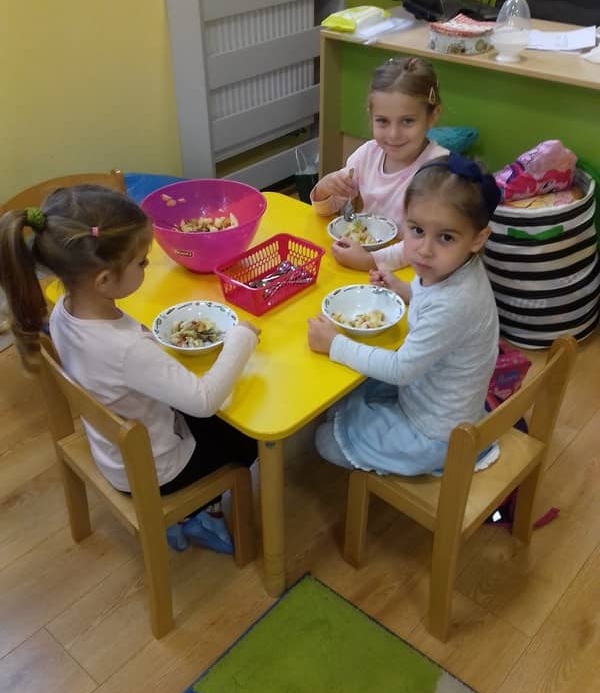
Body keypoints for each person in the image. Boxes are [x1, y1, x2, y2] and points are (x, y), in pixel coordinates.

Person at [0, 185, 260, 553]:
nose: (147, 267)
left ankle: (194, 514)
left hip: (113, 451)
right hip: (157, 472)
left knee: (214, 408)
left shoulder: (62, 312)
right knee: (249, 434)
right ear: (104, 280)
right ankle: (197, 512)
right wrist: (241, 339)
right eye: (141, 263)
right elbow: (203, 401)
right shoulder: (127, 349)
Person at [307, 153, 500, 477]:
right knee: (339, 397)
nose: (424, 249)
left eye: (446, 237)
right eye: (417, 230)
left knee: (325, 438)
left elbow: (400, 370)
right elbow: (431, 302)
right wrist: (403, 289)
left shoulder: (457, 301)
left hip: (435, 435)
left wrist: (334, 343)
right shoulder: (451, 269)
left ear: (477, 239)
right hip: (428, 394)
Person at [311, 56, 448, 273]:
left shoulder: (439, 170)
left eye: (407, 121)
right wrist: (324, 190)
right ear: (371, 117)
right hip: (364, 264)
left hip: (414, 272)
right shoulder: (367, 154)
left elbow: (427, 242)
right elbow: (328, 209)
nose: (393, 134)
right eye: (382, 121)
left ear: (432, 116)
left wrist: (371, 261)